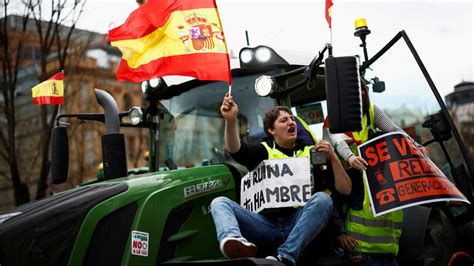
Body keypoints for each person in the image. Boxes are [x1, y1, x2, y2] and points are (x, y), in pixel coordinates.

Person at [210, 93, 352, 266]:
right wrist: (231, 121)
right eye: (284, 120)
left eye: (292, 119)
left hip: (298, 224)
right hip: (266, 226)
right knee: (219, 202)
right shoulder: (263, 151)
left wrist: (333, 158)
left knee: (322, 199)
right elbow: (236, 150)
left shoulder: (313, 153)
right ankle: (234, 241)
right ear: (271, 130)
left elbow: (345, 189)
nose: (291, 122)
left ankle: (284, 257)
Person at [326, 79, 428, 266]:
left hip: (369, 170)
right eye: (354, 90)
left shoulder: (372, 110)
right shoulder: (335, 117)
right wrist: (350, 158)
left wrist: (416, 146)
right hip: (346, 174)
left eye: (362, 89)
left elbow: (394, 130)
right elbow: (338, 140)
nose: (361, 93)